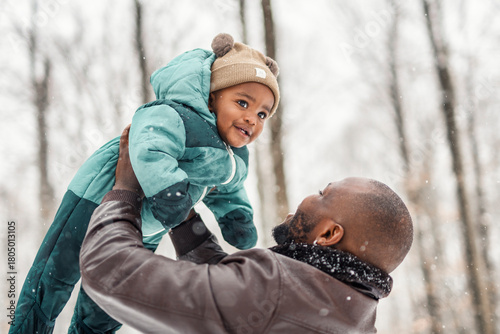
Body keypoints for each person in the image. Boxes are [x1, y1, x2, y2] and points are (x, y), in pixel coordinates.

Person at [11, 33, 280, 334]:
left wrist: (236, 219)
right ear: (212, 96)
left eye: (262, 113)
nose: (251, 119)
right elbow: (150, 141)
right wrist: (170, 191)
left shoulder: (234, 157)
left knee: (109, 302)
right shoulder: (179, 116)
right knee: (53, 280)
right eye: (242, 102)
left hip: (149, 225)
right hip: (98, 200)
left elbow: (227, 187)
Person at [79, 127, 414, 334]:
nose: (308, 197)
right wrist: (182, 217)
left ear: (328, 235)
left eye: (323, 194)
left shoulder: (275, 292)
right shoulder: (355, 316)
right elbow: (232, 300)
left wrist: (124, 191)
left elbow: (108, 270)